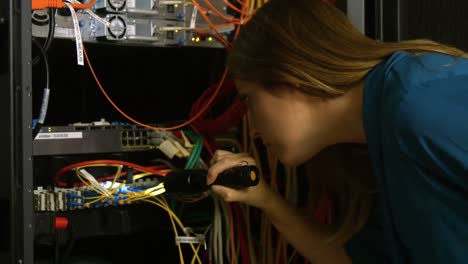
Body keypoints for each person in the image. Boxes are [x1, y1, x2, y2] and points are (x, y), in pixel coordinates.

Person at [206, 0, 468, 263]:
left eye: (249, 99)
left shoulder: (417, 106)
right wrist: (265, 199)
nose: (253, 131)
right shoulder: (379, 144)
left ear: (289, 74)